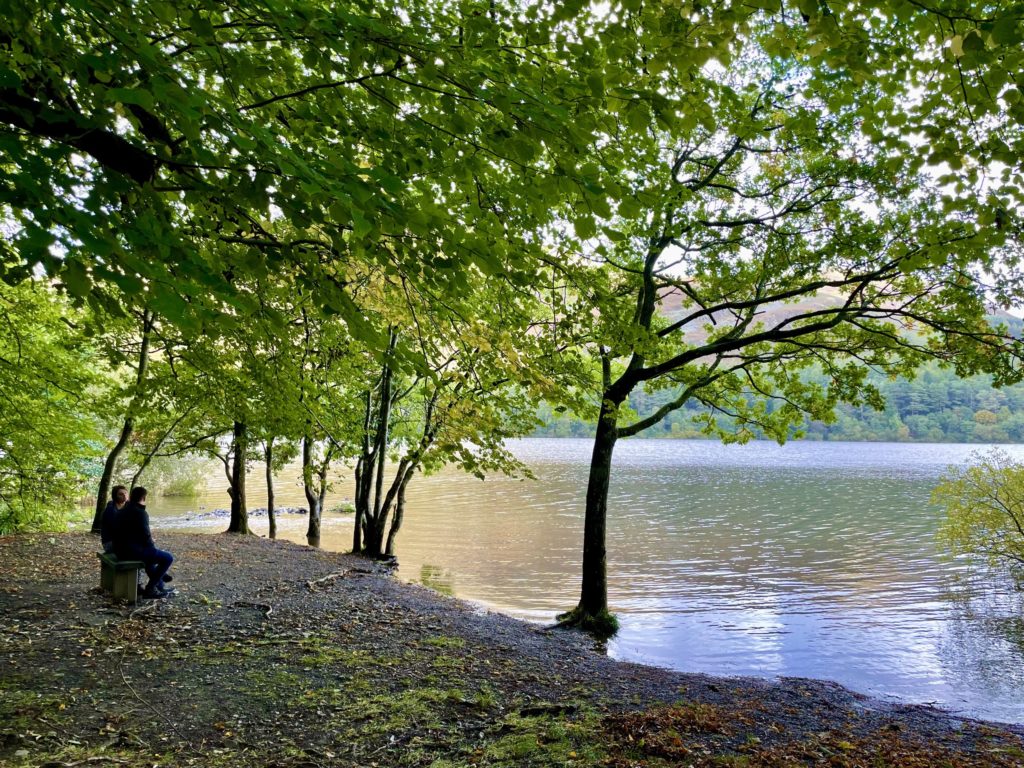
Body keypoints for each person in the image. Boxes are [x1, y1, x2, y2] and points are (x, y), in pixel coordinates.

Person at [113, 486, 175, 599]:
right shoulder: (140, 513)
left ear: (131, 496)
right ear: (144, 497)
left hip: (119, 550)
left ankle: (159, 585)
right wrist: (152, 549)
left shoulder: (122, 511)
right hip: (131, 552)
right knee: (168, 558)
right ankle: (150, 589)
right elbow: (146, 535)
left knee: (150, 560)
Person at [99, 485, 128, 553]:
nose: (124, 495)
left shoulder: (128, 507)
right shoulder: (111, 510)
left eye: (125, 493)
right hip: (110, 543)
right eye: (121, 494)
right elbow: (117, 530)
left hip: (122, 541)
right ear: (115, 496)